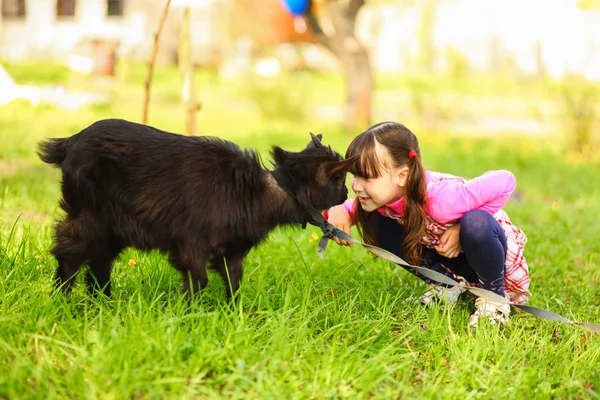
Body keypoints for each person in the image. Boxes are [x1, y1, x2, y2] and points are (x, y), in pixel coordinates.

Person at [326, 121, 530, 325]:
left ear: (402, 176)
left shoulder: (443, 199)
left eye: (367, 177)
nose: (356, 186)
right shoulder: (382, 199)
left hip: (490, 255)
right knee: (375, 218)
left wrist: (460, 229)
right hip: (452, 257)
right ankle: (445, 285)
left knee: (475, 223)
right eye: (354, 175)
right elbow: (350, 209)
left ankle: (494, 299)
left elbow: (506, 180)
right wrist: (339, 209)